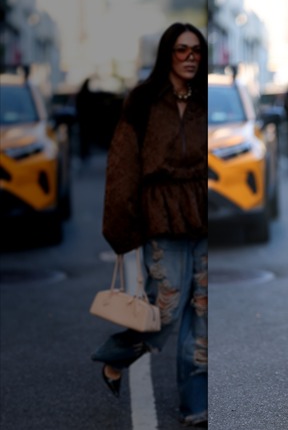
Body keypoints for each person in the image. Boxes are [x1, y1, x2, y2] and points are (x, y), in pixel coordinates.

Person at [91, 22, 208, 427]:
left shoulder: (206, 99)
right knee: (168, 308)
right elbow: (122, 165)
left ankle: (197, 404)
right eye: (181, 49)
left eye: (196, 50)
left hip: (205, 214)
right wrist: (123, 226)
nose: (190, 56)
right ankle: (115, 355)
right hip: (162, 215)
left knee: (204, 313)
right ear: (167, 54)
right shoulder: (142, 101)